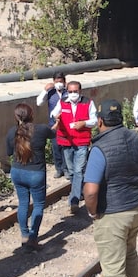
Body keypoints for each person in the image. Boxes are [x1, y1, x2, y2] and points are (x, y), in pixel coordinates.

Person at [83, 99, 138, 277]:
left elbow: (91, 191)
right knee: (129, 251)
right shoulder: (135, 137)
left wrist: (92, 212)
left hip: (113, 213)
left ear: (100, 122)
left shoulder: (99, 149)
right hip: (136, 207)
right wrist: (132, 174)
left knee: (112, 266)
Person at [5, 103, 55, 251]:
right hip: (36, 173)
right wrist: (58, 122)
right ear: (31, 115)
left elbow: (8, 152)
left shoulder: (11, 132)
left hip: (17, 172)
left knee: (23, 203)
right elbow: (54, 134)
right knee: (38, 205)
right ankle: (33, 238)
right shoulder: (41, 130)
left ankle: (25, 235)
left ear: (16, 117)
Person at [50, 80, 97, 214]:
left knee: (78, 170)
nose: (72, 94)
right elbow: (53, 113)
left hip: (81, 141)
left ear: (80, 91)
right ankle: (79, 190)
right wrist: (56, 116)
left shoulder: (88, 102)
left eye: (75, 91)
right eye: (70, 91)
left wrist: (84, 123)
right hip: (66, 141)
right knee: (70, 171)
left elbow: (94, 120)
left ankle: (74, 200)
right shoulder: (63, 102)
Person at [36, 71, 68, 179]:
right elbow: (39, 102)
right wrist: (45, 90)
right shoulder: (50, 93)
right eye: (57, 81)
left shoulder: (69, 92)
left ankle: (66, 168)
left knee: (66, 147)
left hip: (67, 124)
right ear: (53, 82)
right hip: (54, 125)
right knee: (56, 147)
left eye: (61, 81)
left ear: (64, 82)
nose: (59, 83)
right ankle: (58, 169)